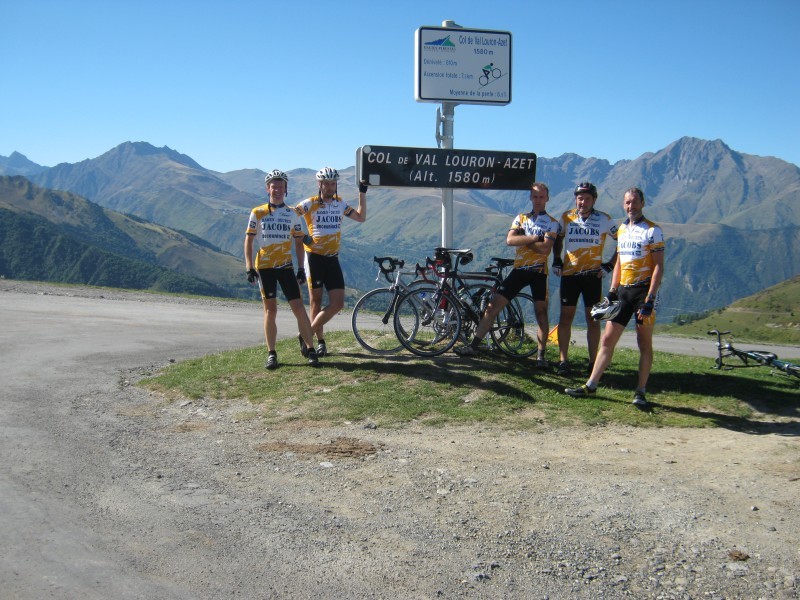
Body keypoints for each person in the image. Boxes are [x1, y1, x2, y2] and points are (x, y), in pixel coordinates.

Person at [565, 187, 665, 407]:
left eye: (635, 202)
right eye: (627, 202)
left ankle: (640, 391)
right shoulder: (622, 230)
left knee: (643, 343)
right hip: (623, 292)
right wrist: (611, 291)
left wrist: (650, 298)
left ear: (643, 203)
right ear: (623, 204)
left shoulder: (653, 231)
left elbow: (658, 267)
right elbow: (619, 262)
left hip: (643, 292)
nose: (631, 206)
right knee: (607, 340)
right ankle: (591, 385)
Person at [455, 182, 558, 366]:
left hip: (539, 272)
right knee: (492, 307)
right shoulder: (521, 218)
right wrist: (534, 237)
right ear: (530, 198)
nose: (538, 200)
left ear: (547, 198)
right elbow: (510, 240)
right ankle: (473, 346)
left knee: (541, 314)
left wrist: (523, 239)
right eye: (535, 196)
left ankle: (541, 357)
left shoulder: (552, 222)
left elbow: (545, 249)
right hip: (519, 270)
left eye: (541, 197)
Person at [244, 169, 319, 370]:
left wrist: (301, 269)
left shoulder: (292, 213)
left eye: (280, 186)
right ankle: (271, 353)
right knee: (270, 310)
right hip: (265, 268)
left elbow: (299, 242)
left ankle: (310, 349)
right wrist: (249, 267)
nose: (277, 189)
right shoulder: (257, 212)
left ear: (286, 189)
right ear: (267, 188)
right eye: (273, 186)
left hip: (286, 267)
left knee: (298, 308)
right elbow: (249, 240)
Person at [294, 167, 367, 358]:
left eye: (333, 183)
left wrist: (362, 193)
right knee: (315, 303)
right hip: (314, 258)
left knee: (338, 303)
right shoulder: (310, 203)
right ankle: (319, 342)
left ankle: (305, 333)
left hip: (332, 258)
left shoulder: (340, 204)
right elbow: (290, 217)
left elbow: (361, 217)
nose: (329, 187)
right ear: (319, 184)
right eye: (326, 183)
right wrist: (302, 236)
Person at [552, 182, 618, 376]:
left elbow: (623, 241)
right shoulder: (567, 217)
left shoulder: (605, 219)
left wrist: (610, 265)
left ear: (594, 200)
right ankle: (563, 361)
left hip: (592, 277)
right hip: (570, 276)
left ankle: (592, 363)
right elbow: (558, 238)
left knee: (594, 320)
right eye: (580, 198)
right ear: (576, 199)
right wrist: (556, 259)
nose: (583, 201)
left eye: (587, 198)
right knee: (565, 318)